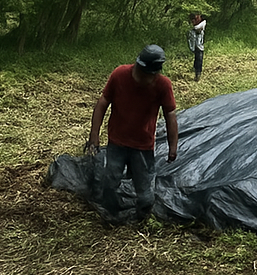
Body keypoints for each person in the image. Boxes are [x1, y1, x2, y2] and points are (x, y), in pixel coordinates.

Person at [85, 44, 178, 222]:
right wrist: (94, 136)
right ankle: (111, 213)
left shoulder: (162, 85)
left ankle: (140, 218)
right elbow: (103, 102)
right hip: (117, 142)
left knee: (145, 196)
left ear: (155, 73)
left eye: (150, 76)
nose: (144, 80)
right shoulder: (119, 75)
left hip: (143, 147)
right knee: (109, 183)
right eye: (141, 74)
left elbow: (170, 115)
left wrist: (173, 146)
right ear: (138, 67)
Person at [187, 13, 206, 81]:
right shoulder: (191, 30)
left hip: (199, 46)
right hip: (195, 46)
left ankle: (198, 73)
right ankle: (195, 70)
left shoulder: (202, 24)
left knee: (199, 59)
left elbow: (197, 28)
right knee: (197, 59)